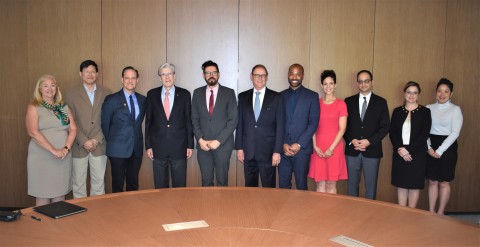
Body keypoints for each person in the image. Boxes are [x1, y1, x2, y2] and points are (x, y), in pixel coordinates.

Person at [26, 75, 77, 206]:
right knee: (43, 193)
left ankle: (58, 225)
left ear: (56, 88)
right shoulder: (34, 106)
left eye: (52, 85)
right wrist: (54, 150)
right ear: (40, 89)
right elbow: (33, 132)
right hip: (42, 157)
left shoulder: (63, 106)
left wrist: (65, 149)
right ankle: (43, 226)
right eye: (45, 85)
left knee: (60, 193)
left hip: (62, 156)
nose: (50, 88)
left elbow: (73, 129)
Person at [65, 60, 111, 198]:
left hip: (100, 145)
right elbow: (69, 121)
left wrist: (96, 139)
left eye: (93, 71)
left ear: (97, 74)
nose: (90, 74)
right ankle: (81, 218)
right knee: (78, 185)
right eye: (87, 71)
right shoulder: (70, 94)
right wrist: (84, 140)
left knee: (99, 185)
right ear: (81, 74)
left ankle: (98, 215)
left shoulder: (107, 93)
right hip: (79, 146)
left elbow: (109, 121)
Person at [145, 63, 193, 188]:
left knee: (180, 186)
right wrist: (148, 146)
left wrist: (190, 145)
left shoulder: (185, 94)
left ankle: (179, 208)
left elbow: (189, 121)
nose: (167, 77)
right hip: (158, 148)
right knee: (160, 187)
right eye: (163, 74)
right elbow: (148, 122)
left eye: (170, 74)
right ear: (160, 77)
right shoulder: (151, 94)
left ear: (174, 76)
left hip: (179, 148)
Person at [235, 64, 284, 188]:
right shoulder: (242, 97)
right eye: (257, 75)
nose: (260, 78)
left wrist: (277, 151)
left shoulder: (277, 97)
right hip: (248, 151)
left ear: (267, 78)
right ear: (251, 77)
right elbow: (239, 124)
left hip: (268, 152)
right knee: (250, 188)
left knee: (269, 189)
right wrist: (239, 148)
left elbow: (280, 127)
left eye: (263, 75)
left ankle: (269, 208)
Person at [344, 70, 390, 200]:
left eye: (366, 81)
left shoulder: (381, 102)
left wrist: (369, 141)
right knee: (352, 188)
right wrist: (351, 140)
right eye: (360, 81)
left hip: (372, 151)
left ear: (372, 82)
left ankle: (369, 218)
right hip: (352, 151)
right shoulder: (348, 101)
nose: (363, 84)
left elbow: (385, 127)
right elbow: (343, 126)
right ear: (357, 83)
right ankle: (352, 215)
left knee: (370, 189)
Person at [191, 60, 238, 186]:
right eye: (208, 73)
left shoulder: (229, 93)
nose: (211, 75)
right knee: (206, 181)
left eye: (214, 72)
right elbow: (194, 119)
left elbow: (233, 120)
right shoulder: (197, 93)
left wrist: (218, 141)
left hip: (223, 145)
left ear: (219, 74)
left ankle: (222, 206)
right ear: (203, 75)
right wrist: (200, 140)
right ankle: (207, 206)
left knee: (222, 182)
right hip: (203, 146)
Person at [101, 66, 146, 193]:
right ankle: (117, 211)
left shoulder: (143, 100)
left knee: (133, 184)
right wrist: (114, 141)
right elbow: (105, 124)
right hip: (117, 150)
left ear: (137, 80)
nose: (130, 81)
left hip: (136, 149)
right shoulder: (111, 99)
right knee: (117, 185)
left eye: (133, 78)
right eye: (127, 78)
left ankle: (132, 212)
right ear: (122, 79)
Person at [390, 81, 431, 208]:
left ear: (418, 94)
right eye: (409, 92)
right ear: (404, 93)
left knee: (414, 185)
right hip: (400, 153)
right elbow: (392, 133)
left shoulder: (425, 112)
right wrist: (400, 149)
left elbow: (424, 135)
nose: (411, 95)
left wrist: (408, 151)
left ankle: (412, 214)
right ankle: (402, 212)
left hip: (417, 154)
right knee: (401, 184)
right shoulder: (397, 111)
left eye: (415, 93)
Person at [279, 63, 320, 190]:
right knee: (283, 185)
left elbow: (313, 123)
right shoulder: (280, 96)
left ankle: (301, 210)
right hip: (283, 150)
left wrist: (299, 144)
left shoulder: (312, 96)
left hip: (302, 151)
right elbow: (277, 123)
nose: (294, 76)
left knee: (301, 186)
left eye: (298, 74)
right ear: (288, 75)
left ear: (302, 76)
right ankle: (284, 210)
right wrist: (283, 143)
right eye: (291, 73)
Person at [426, 78, 463, 214]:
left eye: (446, 91)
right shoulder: (429, 108)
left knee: (444, 182)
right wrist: (429, 148)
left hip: (448, 147)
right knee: (432, 181)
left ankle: (440, 213)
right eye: (439, 91)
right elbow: (424, 131)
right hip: (431, 145)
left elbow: (455, 132)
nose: (442, 94)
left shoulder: (455, 109)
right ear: (436, 92)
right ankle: (431, 212)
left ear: (451, 94)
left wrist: (440, 150)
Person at [308, 70, 348, 193]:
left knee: (331, 183)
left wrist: (331, 148)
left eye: (331, 83)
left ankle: (331, 212)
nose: (328, 87)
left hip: (334, 148)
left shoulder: (341, 104)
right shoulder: (316, 103)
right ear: (321, 85)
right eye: (325, 84)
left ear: (335, 85)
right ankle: (320, 212)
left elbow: (342, 129)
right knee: (319, 184)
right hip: (318, 147)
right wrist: (315, 146)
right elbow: (312, 125)